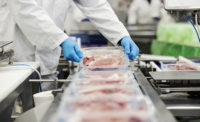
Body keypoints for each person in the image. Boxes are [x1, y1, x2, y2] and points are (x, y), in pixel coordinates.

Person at [0, 0, 139, 91]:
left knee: (44, 109)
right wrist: (60, 39)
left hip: (48, 56)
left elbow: (95, 4)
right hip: (15, 53)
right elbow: (24, 9)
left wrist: (121, 35)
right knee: (9, 107)